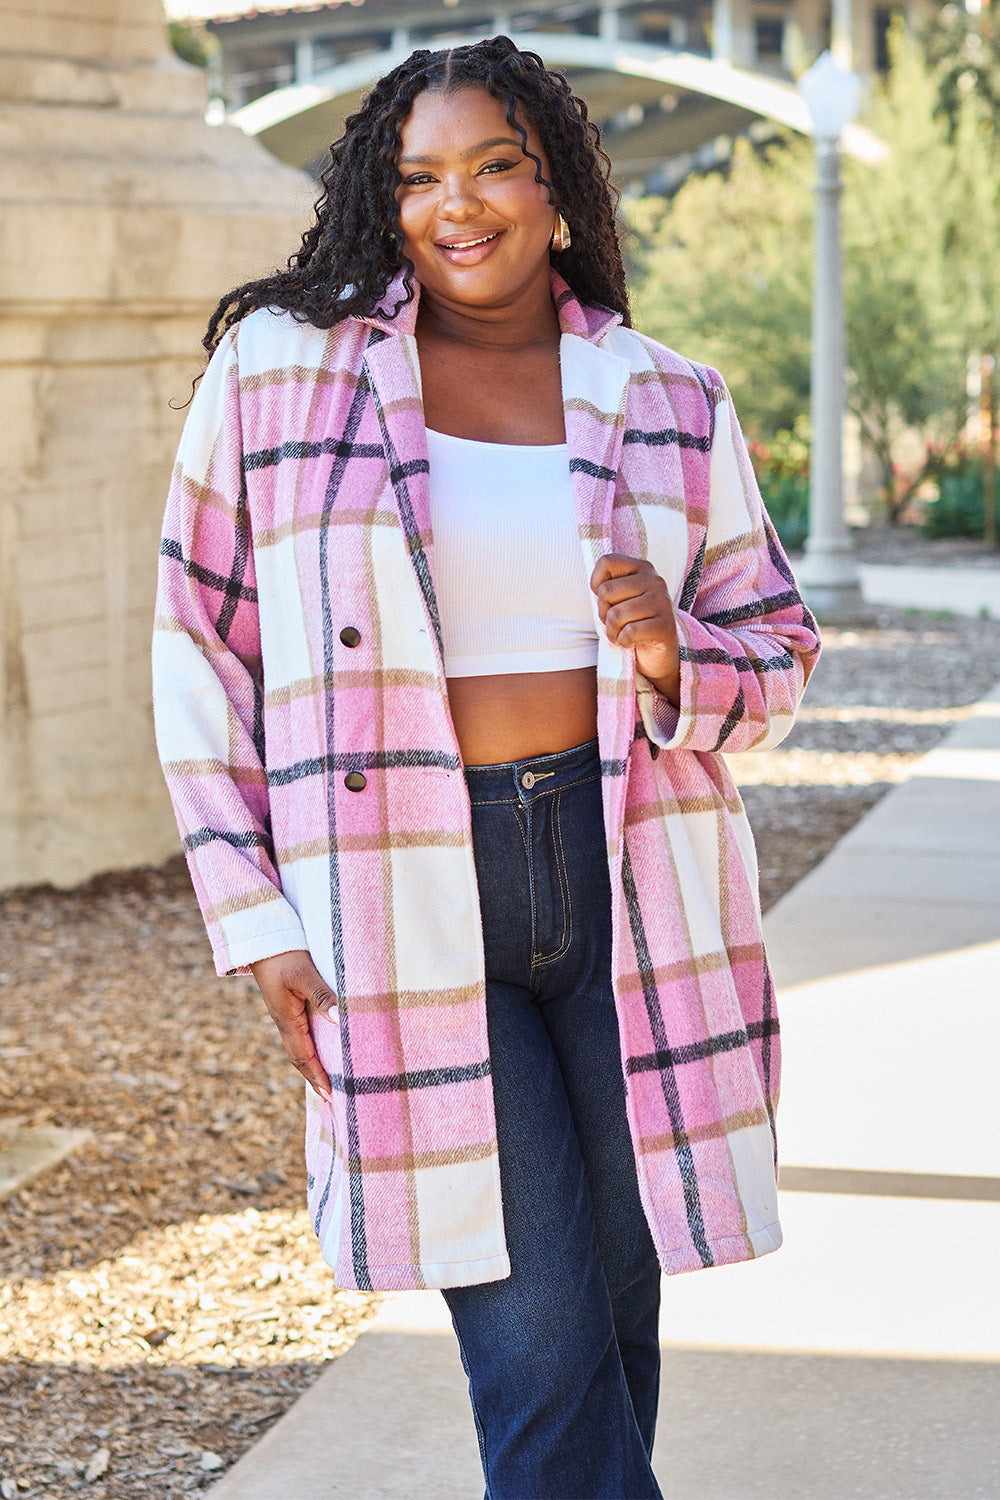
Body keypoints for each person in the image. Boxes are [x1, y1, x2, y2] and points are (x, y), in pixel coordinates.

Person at [152, 36, 820, 1500]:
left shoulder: (668, 397)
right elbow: (194, 641)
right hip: (403, 883)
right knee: (536, 1331)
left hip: (631, 878)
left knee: (617, 1311)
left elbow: (777, 655)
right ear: (381, 202)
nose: (458, 205)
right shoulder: (281, 374)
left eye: (495, 166)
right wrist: (252, 911)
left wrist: (668, 658)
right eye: (418, 177)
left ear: (558, 193)